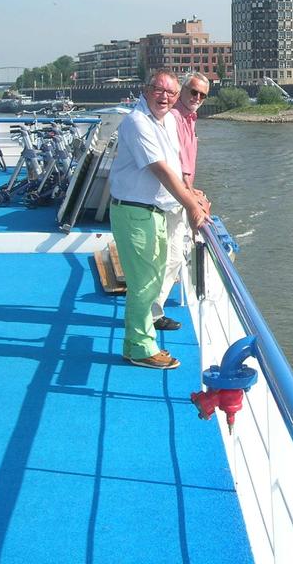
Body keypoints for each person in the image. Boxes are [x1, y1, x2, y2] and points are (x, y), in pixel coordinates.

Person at [108, 70, 209, 369]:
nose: (164, 96)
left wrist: (194, 194)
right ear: (146, 89)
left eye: (170, 93)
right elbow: (162, 171)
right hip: (135, 211)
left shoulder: (163, 122)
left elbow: (176, 168)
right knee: (144, 283)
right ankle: (139, 348)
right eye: (158, 90)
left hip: (152, 211)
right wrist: (192, 207)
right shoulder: (138, 123)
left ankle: (138, 341)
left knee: (152, 280)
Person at [150, 72, 211, 331]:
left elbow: (185, 165)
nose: (197, 98)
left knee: (171, 258)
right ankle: (151, 315)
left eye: (202, 95)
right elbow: (173, 164)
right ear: (182, 90)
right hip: (170, 199)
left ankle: (151, 311)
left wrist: (191, 190)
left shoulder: (189, 118)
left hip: (178, 196)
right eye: (193, 91)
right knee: (170, 258)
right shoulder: (174, 118)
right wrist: (190, 197)